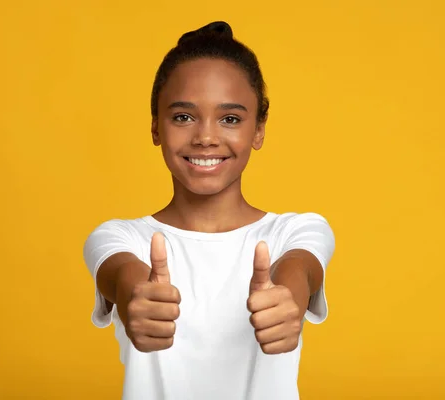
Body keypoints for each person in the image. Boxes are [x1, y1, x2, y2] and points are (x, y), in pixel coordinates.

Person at [83, 21, 336, 400]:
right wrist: (136, 296)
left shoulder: (297, 231)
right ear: (155, 126)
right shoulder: (119, 237)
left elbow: (299, 271)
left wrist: (288, 297)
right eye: (183, 117)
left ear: (259, 130)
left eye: (230, 119)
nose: (205, 137)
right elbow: (124, 277)